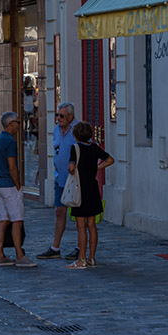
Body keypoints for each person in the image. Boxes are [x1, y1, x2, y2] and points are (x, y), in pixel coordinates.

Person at [0, 111, 37, 267]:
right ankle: (19, 255)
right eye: (17, 122)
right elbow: (12, 167)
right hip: (9, 185)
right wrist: (18, 185)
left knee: (3, 220)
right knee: (17, 220)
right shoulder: (10, 141)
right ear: (10, 124)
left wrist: (0, 174)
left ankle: (0, 254)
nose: (19, 124)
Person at [67, 121, 115, 269]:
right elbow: (110, 159)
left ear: (76, 135)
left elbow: (71, 167)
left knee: (81, 226)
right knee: (92, 225)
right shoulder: (94, 148)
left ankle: (81, 259)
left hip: (79, 189)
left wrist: (73, 170)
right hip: (93, 188)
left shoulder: (75, 148)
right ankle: (91, 258)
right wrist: (97, 167)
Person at [37, 102, 80, 261]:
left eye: (61, 116)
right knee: (59, 211)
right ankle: (55, 247)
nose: (58, 118)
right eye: (57, 115)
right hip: (60, 178)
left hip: (75, 179)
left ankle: (79, 247)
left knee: (77, 214)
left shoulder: (78, 130)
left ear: (70, 116)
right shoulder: (56, 130)